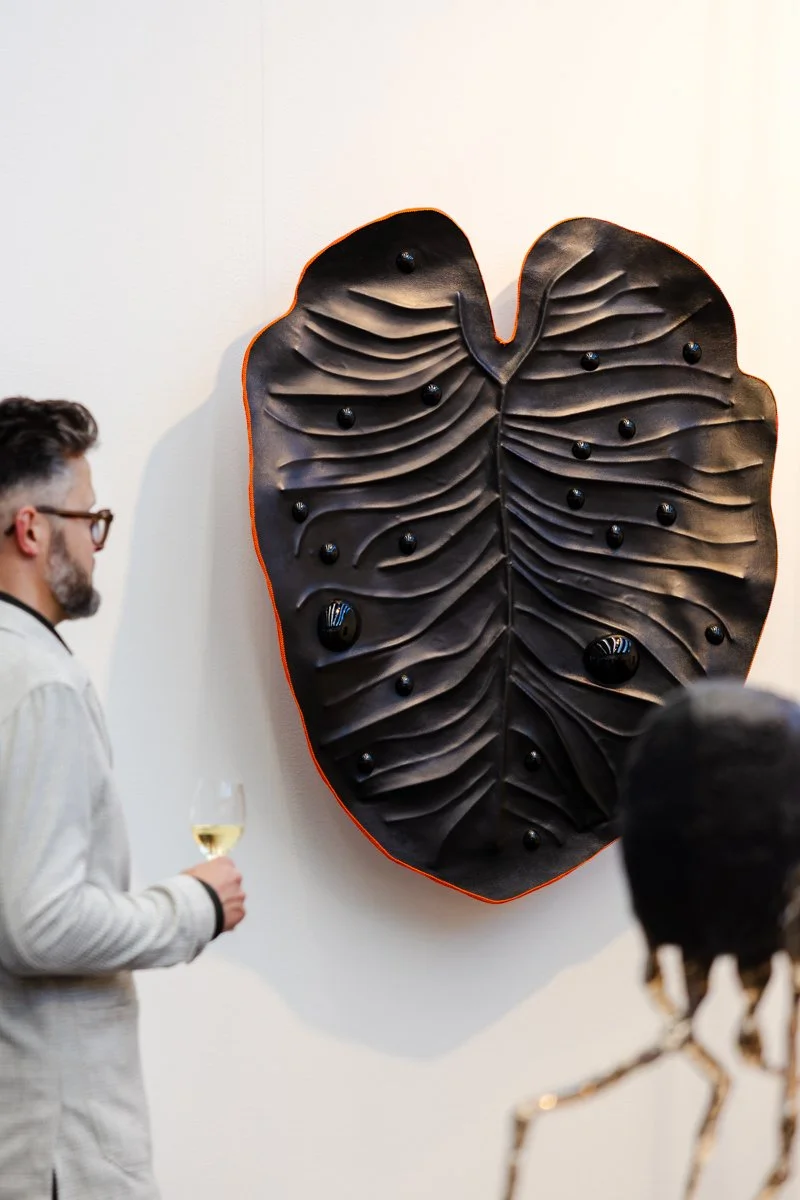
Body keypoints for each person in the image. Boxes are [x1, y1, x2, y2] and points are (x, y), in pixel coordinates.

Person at [0, 396, 247, 1200]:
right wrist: (194, 906)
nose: (98, 545)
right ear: (32, 529)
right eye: (89, 519)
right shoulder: (42, 686)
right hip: (57, 1151)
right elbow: (38, 924)